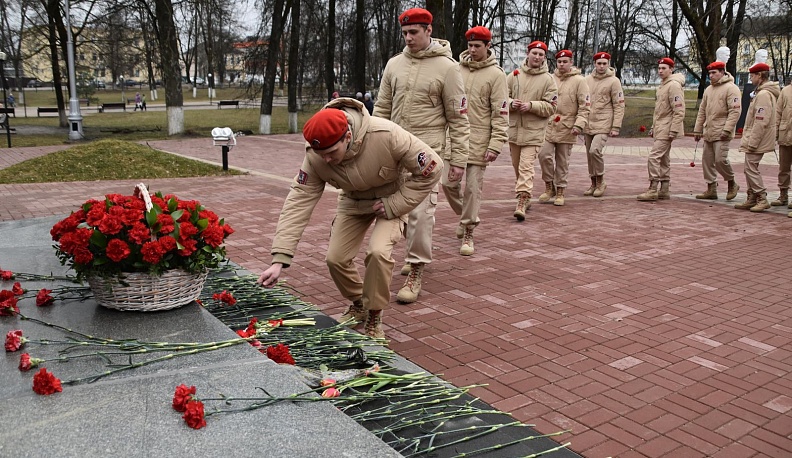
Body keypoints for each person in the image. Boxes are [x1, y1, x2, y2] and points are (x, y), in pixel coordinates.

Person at [256, 98, 443, 340]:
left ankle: (374, 316)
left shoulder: (386, 134)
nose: (326, 160)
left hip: (391, 200)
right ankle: (360, 304)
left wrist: (395, 204)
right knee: (335, 259)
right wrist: (279, 259)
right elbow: (299, 201)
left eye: (331, 153)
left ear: (347, 137)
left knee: (377, 253)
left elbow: (432, 168)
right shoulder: (316, 156)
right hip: (353, 202)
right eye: (321, 155)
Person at [373, 7, 469, 304]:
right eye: (404, 33)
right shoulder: (394, 65)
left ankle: (416, 269)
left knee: (421, 214)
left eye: (414, 32)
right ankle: (404, 256)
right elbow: (381, 111)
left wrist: (459, 160)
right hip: (394, 154)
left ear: (429, 31)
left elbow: (458, 118)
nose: (408, 38)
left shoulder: (448, 68)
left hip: (428, 156)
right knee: (393, 211)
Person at [442, 26, 507, 256]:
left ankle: (469, 229)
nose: (472, 50)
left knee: (472, 189)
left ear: (488, 46)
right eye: (469, 45)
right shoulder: (456, 69)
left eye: (477, 46)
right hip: (455, 139)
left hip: (480, 141)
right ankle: (466, 216)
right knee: (447, 184)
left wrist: (496, 144)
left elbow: (501, 113)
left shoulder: (497, 75)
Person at [506, 40, 558, 219]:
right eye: (534, 53)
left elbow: (552, 107)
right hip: (514, 131)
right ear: (528, 54)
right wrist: (512, 103)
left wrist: (532, 106)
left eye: (541, 54)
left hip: (534, 132)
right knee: (517, 168)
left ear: (544, 58)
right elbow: (501, 98)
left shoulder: (548, 80)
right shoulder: (514, 75)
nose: (537, 57)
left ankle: (522, 199)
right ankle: (525, 196)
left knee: (526, 167)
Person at [537, 49, 590, 206]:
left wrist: (579, 125)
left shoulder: (579, 81)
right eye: (559, 62)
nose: (561, 64)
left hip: (568, 126)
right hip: (549, 124)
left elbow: (585, 106)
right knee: (543, 155)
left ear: (571, 63)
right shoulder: (550, 78)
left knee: (562, 161)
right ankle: (549, 186)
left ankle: (560, 189)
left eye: (565, 62)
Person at [734, 62, 780, 212]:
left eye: (752, 76)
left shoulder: (764, 95)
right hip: (756, 137)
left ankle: (761, 196)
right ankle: (752, 196)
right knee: (749, 167)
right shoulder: (761, 93)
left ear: (760, 76)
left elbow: (761, 121)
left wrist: (752, 142)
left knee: (751, 167)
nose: (751, 79)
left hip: (758, 138)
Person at [637, 57, 686, 201]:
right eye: (659, 68)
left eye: (664, 68)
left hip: (668, 127)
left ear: (671, 69)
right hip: (661, 126)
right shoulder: (663, 85)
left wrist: (673, 130)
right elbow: (660, 111)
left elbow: (679, 110)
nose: (660, 71)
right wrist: (653, 127)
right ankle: (664, 189)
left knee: (654, 157)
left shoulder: (674, 85)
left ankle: (653, 188)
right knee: (664, 158)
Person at [692, 61, 742, 200]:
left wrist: (727, 130)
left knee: (720, 160)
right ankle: (711, 188)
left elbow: (735, 111)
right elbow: (702, 111)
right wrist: (697, 130)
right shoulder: (709, 90)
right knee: (707, 161)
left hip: (722, 132)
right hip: (709, 131)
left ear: (722, 72)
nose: (711, 76)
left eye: (714, 73)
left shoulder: (731, 88)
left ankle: (732, 183)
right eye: (709, 73)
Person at [583, 51, 625, 197]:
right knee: (589, 155)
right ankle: (593, 182)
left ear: (608, 64)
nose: (601, 66)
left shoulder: (614, 81)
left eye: (604, 64)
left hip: (604, 122)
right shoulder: (587, 80)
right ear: (594, 64)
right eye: (599, 63)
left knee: (595, 150)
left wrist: (616, 126)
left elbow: (619, 105)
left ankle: (601, 181)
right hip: (588, 123)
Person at [772, 80, 792, 211]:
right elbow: (777, 113)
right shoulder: (785, 91)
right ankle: (783, 195)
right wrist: (775, 133)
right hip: (786, 134)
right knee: (783, 167)